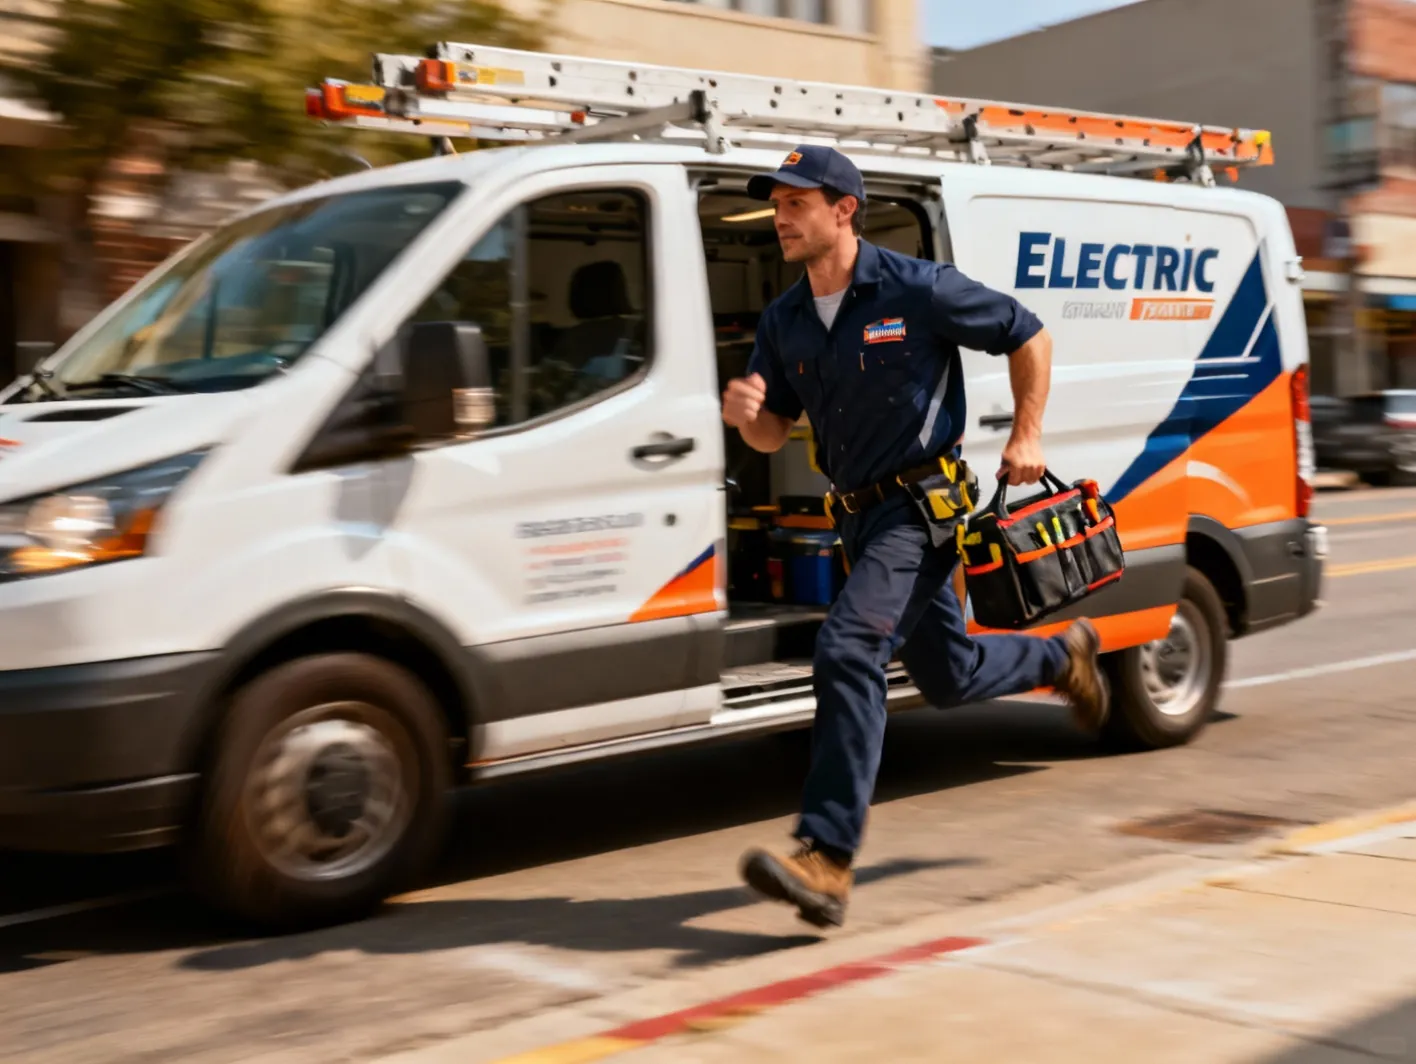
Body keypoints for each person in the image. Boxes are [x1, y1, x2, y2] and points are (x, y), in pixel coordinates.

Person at [722, 145, 1109, 930]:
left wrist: (1027, 434)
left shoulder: (917, 288)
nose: (780, 218)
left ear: (844, 210)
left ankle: (827, 857)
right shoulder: (784, 319)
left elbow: (1029, 336)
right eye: (777, 205)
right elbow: (773, 433)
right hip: (855, 519)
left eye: (797, 204)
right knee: (948, 675)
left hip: (920, 511)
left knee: (848, 649)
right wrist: (746, 417)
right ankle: (1061, 658)